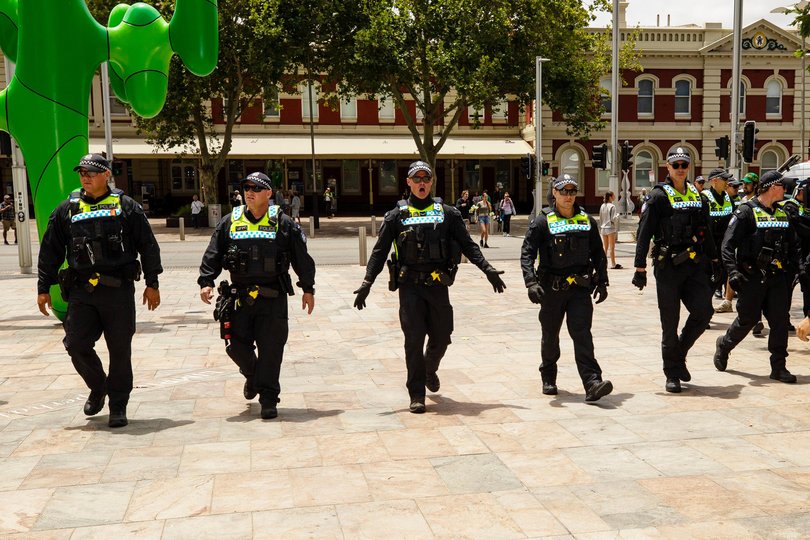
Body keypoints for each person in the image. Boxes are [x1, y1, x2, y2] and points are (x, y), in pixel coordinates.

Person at [352, 160, 506, 413]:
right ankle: (416, 393)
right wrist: (367, 282)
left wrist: (487, 269)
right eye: (417, 179)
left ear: (431, 182)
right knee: (413, 341)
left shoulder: (447, 213)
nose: (422, 183)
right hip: (410, 287)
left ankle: (429, 368)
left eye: (426, 178)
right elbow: (379, 252)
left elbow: (468, 245)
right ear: (409, 182)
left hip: (437, 285)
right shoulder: (396, 216)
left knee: (443, 337)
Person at [36, 153, 162, 428]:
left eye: (91, 172)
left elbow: (148, 246)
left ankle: (118, 405)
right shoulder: (67, 209)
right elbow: (50, 250)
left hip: (118, 291)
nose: (85, 177)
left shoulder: (126, 207)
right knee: (76, 344)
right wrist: (43, 286)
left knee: (119, 351)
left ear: (106, 174)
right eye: (82, 172)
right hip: (82, 291)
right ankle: (98, 386)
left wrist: (152, 283)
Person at [199, 172, 315, 419]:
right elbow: (213, 253)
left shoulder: (282, 223)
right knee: (234, 347)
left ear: (269, 193)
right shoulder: (231, 221)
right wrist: (206, 281)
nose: (249, 192)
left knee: (272, 350)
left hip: (272, 298)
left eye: (256, 188)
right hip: (238, 298)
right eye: (246, 188)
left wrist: (308, 288)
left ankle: (269, 398)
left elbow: (301, 258)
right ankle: (253, 376)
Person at [521, 173, 613, 402]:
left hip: (580, 289)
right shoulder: (543, 221)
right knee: (550, 336)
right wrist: (531, 282)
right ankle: (549, 376)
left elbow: (598, 254)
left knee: (582, 334)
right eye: (564, 191)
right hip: (551, 290)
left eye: (572, 191)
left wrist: (602, 280)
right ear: (554, 193)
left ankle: (592, 382)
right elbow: (527, 254)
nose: (568, 196)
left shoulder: (586, 220)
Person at [632, 148, 717, 393]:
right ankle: (672, 372)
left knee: (704, 311)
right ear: (667, 167)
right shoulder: (658, 196)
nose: (680, 168)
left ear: (689, 167)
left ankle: (679, 353)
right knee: (670, 322)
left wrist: (714, 260)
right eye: (676, 164)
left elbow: (706, 230)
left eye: (684, 164)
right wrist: (639, 267)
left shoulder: (698, 196)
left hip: (693, 264)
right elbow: (644, 232)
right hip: (667, 266)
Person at [713, 170, 801, 383]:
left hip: (777, 277)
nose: (786, 191)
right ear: (772, 187)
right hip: (752, 277)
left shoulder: (783, 213)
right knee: (747, 320)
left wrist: (797, 270)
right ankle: (724, 345)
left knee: (780, 321)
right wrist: (733, 272)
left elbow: (794, 246)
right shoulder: (745, 212)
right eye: (783, 187)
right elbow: (727, 245)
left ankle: (779, 366)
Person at [700, 169, 734, 312]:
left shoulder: (728, 198)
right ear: (714, 181)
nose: (728, 183)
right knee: (707, 279)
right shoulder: (704, 198)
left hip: (725, 245)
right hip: (709, 246)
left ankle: (727, 302)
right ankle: (704, 308)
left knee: (727, 274)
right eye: (724, 180)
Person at [599, 191, 621, 269]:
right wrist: (618, 216)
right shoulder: (612, 206)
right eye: (614, 195)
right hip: (610, 228)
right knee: (612, 247)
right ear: (611, 197)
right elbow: (613, 219)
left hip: (603, 228)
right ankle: (613, 263)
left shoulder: (602, 206)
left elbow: (600, 218)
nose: (615, 196)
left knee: (605, 247)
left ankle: (603, 263)